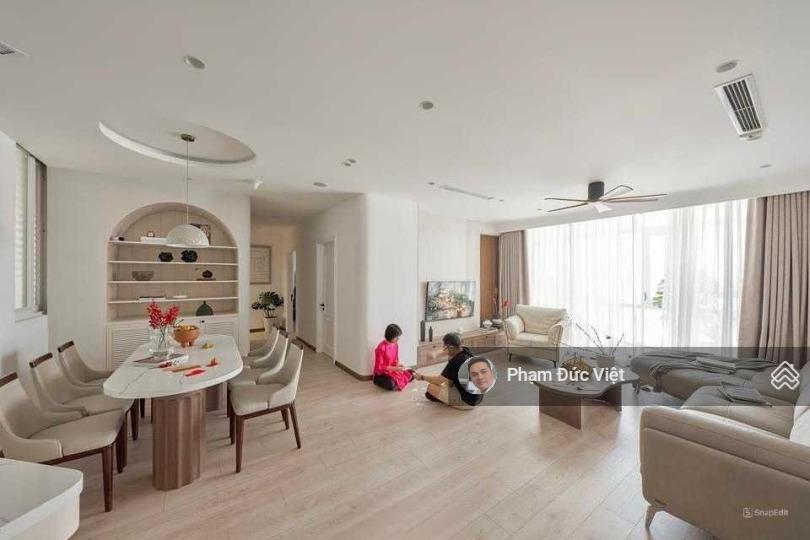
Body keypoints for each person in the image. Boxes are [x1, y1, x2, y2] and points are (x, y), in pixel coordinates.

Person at [413, 333, 482, 408]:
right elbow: (448, 351)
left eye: (445, 347)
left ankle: (452, 401)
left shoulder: (456, 361)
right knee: (448, 382)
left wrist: (422, 377)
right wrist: (435, 354)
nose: (444, 349)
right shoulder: (466, 351)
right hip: (478, 397)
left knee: (431, 388)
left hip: (468, 402)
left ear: (451, 347)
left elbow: (439, 380)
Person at [372, 323, 414, 391]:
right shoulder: (381, 348)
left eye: (398, 337)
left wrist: (399, 365)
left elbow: (395, 360)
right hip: (382, 374)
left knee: (412, 372)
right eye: (396, 337)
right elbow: (379, 367)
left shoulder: (395, 345)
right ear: (390, 336)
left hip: (393, 370)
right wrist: (395, 368)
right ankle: (396, 383)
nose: (398, 339)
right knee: (390, 383)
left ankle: (397, 383)